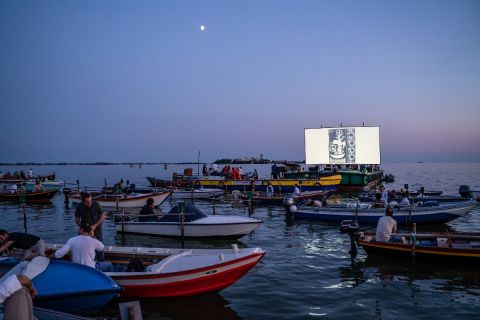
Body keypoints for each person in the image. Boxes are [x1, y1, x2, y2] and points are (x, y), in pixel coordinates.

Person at [75, 192, 106, 260]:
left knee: (100, 249)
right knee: (84, 248)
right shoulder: (79, 206)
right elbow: (77, 219)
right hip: (85, 231)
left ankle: (101, 261)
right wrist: (82, 226)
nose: (90, 203)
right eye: (87, 202)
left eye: (90, 201)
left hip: (97, 230)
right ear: (83, 201)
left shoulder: (96, 204)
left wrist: (95, 225)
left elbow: (103, 215)